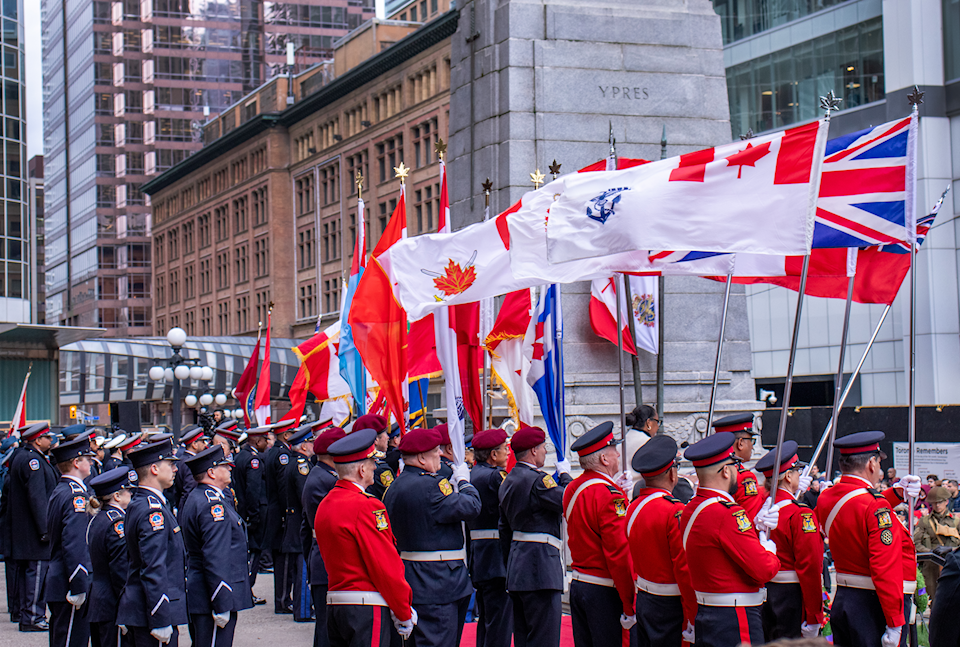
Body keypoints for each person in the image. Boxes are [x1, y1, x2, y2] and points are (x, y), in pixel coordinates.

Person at [814, 431, 921, 647]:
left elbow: (855, 512)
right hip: (874, 606)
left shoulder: (827, 497)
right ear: (872, 464)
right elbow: (885, 566)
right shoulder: (874, 504)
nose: (880, 470)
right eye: (879, 464)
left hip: (846, 597)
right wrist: (894, 622)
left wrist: (896, 492)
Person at [315, 429, 415, 646]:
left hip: (336, 603)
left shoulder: (326, 504)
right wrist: (403, 609)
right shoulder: (367, 505)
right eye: (371, 464)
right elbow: (384, 564)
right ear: (361, 469)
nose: (374, 468)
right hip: (366, 607)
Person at [679, 431, 780, 647]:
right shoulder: (729, 513)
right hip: (735, 616)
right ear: (726, 471)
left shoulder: (691, 508)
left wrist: (754, 528)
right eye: (734, 466)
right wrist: (769, 550)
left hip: (707, 612)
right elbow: (764, 569)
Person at [383, 427, 481, 647]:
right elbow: (472, 506)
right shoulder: (432, 485)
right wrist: (464, 482)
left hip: (411, 576)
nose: (439, 455)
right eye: (435, 451)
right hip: (439, 581)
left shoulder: (393, 487)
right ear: (421, 457)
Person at [562, 421, 635, 647]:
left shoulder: (572, 488)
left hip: (579, 584)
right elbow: (619, 553)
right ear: (604, 459)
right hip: (605, 589)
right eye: (613, 450)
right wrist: (630, 602)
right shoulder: (611, 496)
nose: (617, 454)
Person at [498, 426, 572, 647]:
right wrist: (566, 476)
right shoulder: (539, 481)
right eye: (542, 448)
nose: (545, 451)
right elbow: (567, 501)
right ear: (532, 451)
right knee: (544, 638)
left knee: (524, 637)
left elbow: (504, 531)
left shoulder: (507, 480)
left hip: (518, 568)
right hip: (540, 569)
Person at [626, 434, 696, 647]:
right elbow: (683, 568)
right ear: (673, 473)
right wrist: (693, 614)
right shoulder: (674, 510)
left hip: (645, 598)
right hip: (671, 606)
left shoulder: (633, 507)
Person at [116, 439, 188, 647]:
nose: (175, 468)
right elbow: (153, 566)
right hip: (151, 612)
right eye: (170, 464)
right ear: (154, 469)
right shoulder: (151, 510)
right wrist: (160, 617)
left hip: (142, 607)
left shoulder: (144, 502)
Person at [181, 445, 251, 647]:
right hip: (211, 595)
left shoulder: (202, 497)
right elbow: (215, 556)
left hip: (205, 592)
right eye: (224, 466)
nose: (230, 469)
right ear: (211, 472)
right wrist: (221, 601)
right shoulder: (212, 505)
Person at [753, 441, 824, 641]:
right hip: (792, 596)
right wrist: (813, 616)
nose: (800, 476)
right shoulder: (800, 514)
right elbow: (810, 567)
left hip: (766, 594)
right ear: (788, 476)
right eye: (797, 471)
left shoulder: (762, 511)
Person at [46, 435, 98, 647]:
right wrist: (79, 583)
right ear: (77, 463)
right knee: (70, 641)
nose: (92, 462)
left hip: (62, 578)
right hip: (69, 581)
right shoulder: (75, 495)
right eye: (88, 458)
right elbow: (74, 542)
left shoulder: (65, 490)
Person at [9, 421, 58, 632]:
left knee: (30, 573)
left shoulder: (25, 456)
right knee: (37, 573)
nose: (51, 441)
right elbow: (38, 497)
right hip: (34, 529)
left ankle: (26, 613)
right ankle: (32, 617)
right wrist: (45, 529)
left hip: (26, 528)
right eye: (48, 437)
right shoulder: (32, 461)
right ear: (38, 440)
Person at [468, 429, 513, 647]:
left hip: (480, 554)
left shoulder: (473, 474)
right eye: (505, 449)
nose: (508, 452)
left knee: (486, 618)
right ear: (493, 455)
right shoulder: (496, 477)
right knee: (500, 622)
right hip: (497, 555)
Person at [302, 427, 347, 647]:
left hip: (321, 557)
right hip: (328, 559)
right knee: (327, 629)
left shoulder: (323, 475)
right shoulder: (324, 479)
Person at [87, 467, 134, 647]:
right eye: (127, 491)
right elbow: (120, 569)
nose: (131, 494)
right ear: (117, 496)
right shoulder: (117, 523)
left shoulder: (99, 519)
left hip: (99, 600)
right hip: (112, 603)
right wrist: (127, 606)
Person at [233, 425, 271, 605]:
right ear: (257, 441)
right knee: (255, 551)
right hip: (253, 512)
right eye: (265, 439)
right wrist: (254, 516)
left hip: (243, 511)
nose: (267, 442)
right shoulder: (253, 460)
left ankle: (246, 590)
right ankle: (248, 590)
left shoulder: (241, 455)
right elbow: (253, 490)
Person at [284, 423, 318, 622]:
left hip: (295, 521)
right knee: (304, 569)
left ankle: (303, 608)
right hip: (299, 523)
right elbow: (305, 497)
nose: (313, 446)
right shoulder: (301, 465)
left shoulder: (298, 462)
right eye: (310, 442)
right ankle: (304, 611)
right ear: (303, 446)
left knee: (301, 568)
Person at [265, 418, 297, 613]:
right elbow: (284, 487)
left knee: (282, 560)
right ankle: (283, 600)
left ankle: (283, 598)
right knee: (284, 561)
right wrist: (289, 511)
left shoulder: (273, 452)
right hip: (282, 513)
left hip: (275, 511)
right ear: (286, 435)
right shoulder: (283, 455)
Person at [711, 413, 765, 519]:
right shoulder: (745, 478)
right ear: (740, 443)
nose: (752, 447)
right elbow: (750, 519)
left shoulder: (710, 471)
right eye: (751, 441)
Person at [914, 486, 960, 604]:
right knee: (932, 600)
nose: (937, 506)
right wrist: (931, 552)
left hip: (952, 565)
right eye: (934, 503)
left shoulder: (956, 521)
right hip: (930, 567)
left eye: (940, 502)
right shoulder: (924, 521)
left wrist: (951, 549)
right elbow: (916, 543)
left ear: (946, 502)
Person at [352, 414, 395, 500]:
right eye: (385, 433)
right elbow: (393, 500)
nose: (388, 437)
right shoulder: (380, 470)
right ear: (376, 439)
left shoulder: (353, 463)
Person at [172, 425, 207, 512]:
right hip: (189, 509)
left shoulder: (183, 459)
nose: (205, 444)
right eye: (202, 441)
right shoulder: (191, 463)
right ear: (194, 444)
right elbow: (190, 491)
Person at [623, 404, 659, 489]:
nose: (658, 427)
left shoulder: (623, 440)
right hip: (638, 494)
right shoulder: (649, 443)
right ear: (649, 422)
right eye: (657, 422)